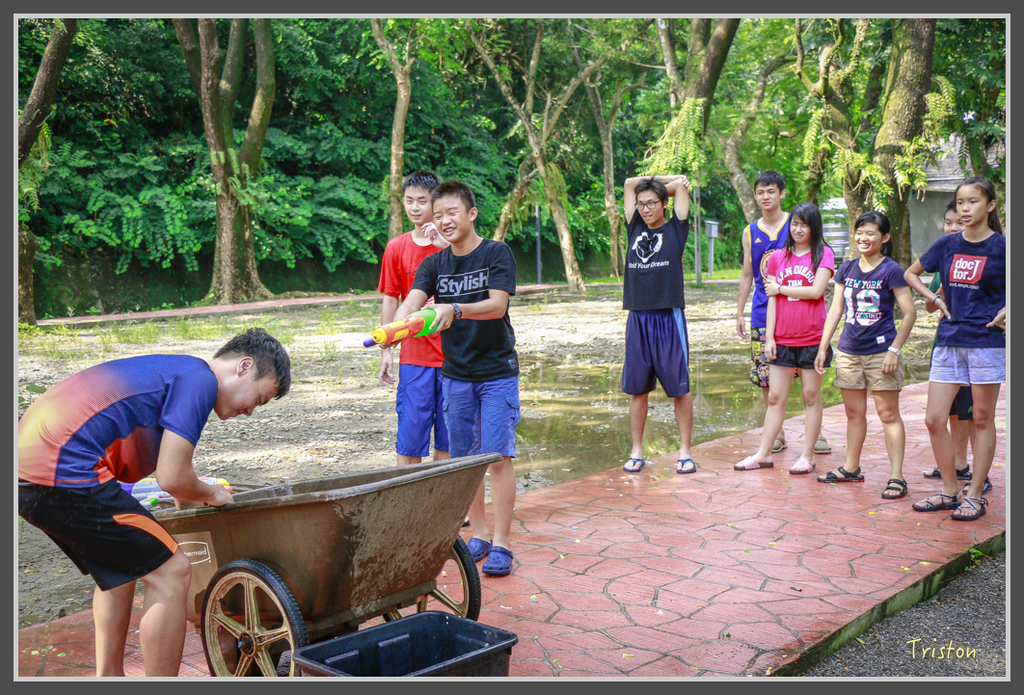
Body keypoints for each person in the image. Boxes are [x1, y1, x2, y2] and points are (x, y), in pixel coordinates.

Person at [18, 327, 291, 676]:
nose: (252, 411)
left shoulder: (178, 373)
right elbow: (173, 477)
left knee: (120, 569)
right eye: (260, 398)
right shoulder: (200, 381)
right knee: (172, 572)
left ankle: (110, 677)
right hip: (64, 469)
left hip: (28, 471)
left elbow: (176, 476)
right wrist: (212, 493)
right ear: (244, 366)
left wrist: (193, 498)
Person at [393, 180, 520, 576]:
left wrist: (455, 310)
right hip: (456, 376)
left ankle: (502, 543)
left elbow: (497, 306)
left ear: (471, 213)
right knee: (465, 462)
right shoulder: (434, 264)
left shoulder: (496, 252)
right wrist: (396, 327)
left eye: (452, 212)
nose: (444, 220)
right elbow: (412, 303)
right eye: (439, 214)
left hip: (497, 373)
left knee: (497, 457)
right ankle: (478, 532)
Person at [905, 176, 1005, 521]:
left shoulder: (1002, 247)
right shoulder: (946, 245)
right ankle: (950, 490)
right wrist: (933, 297)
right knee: (934, 419)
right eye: (960, 202)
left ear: (990, 205)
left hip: (986, 342)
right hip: (948, 340)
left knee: (981, 417)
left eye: (973, 202)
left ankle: (975, 494)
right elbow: (911, 273)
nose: (965, 209)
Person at [813, 211, 915, 497]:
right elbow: (836, 310)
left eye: (871, 233)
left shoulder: (892, 270)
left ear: (884, 238)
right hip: (848, 351)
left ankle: (897, 477)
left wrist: (894, 350)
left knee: (887, 414)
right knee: (853, 413)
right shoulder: (846, 269)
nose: (864, 238)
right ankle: (851, 468)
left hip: (881, 353)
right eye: (860, 232)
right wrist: (824, 346)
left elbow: (909, 313)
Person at [734, 202, 835, 474]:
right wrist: (769, 338)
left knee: (811, 397)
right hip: (782, 339)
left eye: (805, 224)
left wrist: (780, 287)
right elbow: (773, 301)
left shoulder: (823, 254)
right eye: (795, 224)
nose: (799, 229)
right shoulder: (778, 257)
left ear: (814, 227)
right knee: (776, 398)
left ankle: (806, 456)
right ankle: (763, 454)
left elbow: (816, 291)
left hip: (813, 339)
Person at [619, 173, 697, 476]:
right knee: (637, 390)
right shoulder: (635, 227)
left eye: (652, 203)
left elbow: (680, 186)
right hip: (638, 316)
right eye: (641, 204)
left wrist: (672, 181)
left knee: (680, 388)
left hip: (668, 317)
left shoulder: (676, 229)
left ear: (664, 204)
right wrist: (653, 179)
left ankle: (685, 452)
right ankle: (637, 451)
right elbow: (628, 183)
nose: (646, 209)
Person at [377, 170, 451, 466]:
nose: (415, 208)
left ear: (436, 203)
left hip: (453, 356)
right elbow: (390, 298)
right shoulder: (397, 247)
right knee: (410, 438)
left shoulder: (456, 243)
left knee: (450, 438)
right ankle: (409, 508)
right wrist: (386, 349)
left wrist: (446, 245)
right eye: (409, 201)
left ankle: (448, 510)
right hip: (414, 356)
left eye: (422, 201)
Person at [921, 199, 985, 490]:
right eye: (949, 222)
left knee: (975, 415)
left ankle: (977, 477)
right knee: (950, 411)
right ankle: (958, 465)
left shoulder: (986, 253)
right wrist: (939, 295)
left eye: (959, 222)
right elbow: (930, 305)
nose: (953, 227)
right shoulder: (944, 256)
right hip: (944, 343)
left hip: (975, 345)